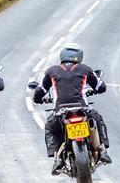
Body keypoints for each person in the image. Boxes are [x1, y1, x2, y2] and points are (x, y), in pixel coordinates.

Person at [33, 41, 111, 175]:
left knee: (50, 128)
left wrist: (39, 100)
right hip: (82, 109)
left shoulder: (52, 71)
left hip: (61, 112)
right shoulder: (85, 69)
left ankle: (56, 157)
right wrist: (95, 88)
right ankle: (103, 150)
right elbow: (101, 87)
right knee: (98, 120)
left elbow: (39, 92)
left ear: (62, 56)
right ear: (79, 56)